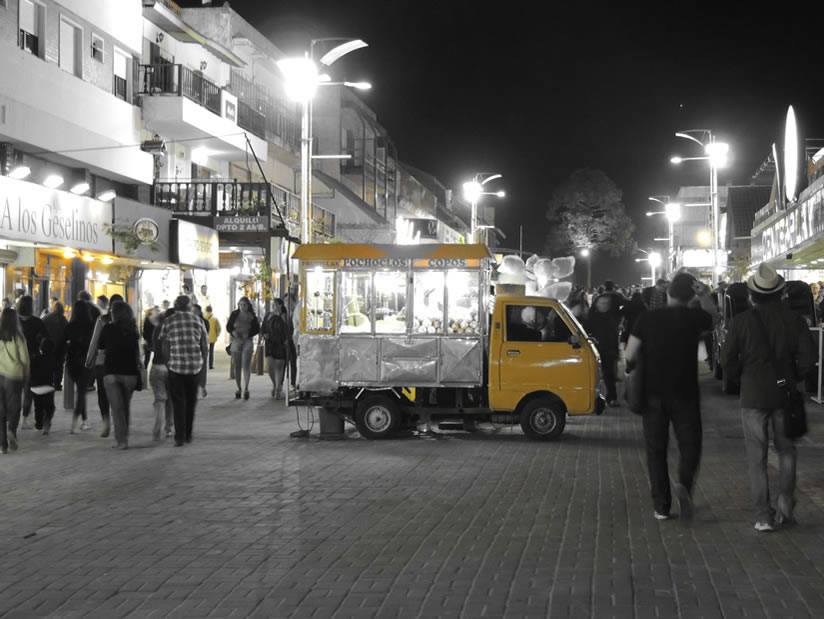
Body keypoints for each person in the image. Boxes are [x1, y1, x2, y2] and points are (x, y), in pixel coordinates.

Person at [721, 263, 815, 532]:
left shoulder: (741, 322)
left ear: (752, 295)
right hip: (785, 395)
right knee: (787, 451)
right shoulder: (794, 320)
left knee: (757, 458)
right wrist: (792, 376)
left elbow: (726, 360)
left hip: (753, 396)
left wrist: (742, 378)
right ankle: (785, 505)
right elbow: (810, 358)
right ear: (780, 293)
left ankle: (763, 516)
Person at [625, 272, 719, 523]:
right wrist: (704, 294)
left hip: (652, 394)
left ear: (667, 292)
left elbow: (630, 355)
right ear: (691, 296)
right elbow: (715, 319)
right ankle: (684, 484)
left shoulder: (647, 318)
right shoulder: (693, 317)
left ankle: (661, 506)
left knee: (656, 450)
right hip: (685, 393)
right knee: (690, 445)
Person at [158, 296, 208, 446]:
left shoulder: (169, 321)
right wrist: (202, 362)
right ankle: (188, 434)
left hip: (176, 367)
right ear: (190, 307)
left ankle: (179, 437)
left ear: (175, 306)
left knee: (178, 402)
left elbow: (164, 345)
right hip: (194, 368)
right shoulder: (198, 320)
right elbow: (204, 346)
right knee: (191, 402)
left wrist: (168, 362)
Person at [99, 301, 142, 450]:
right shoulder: (133, 330)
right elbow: (136, 352)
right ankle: (124, 438)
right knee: (125, 406)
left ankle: (121, 441)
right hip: (130, 374)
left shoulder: (108, 328)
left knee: (117, 408)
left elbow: (101, 346)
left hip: (111, 372)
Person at [86, 293, 124, 437]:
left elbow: (95, 341)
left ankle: (106, 422)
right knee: (119, 394)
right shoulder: (127, 320)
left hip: (102, 362)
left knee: (102, 394)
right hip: (120, 363)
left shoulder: (102, 320)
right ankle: (117, 421)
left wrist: (89, 360)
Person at [0, 307, 29, 453]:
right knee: (15, 407)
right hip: (14, 376)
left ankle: (2, 445)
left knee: (1, 409)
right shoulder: (18, 336)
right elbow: (24, 359)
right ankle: (11, 430)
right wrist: (27, 374)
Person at [64, 300, 96, 433]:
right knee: (82, 392)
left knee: (81, 391)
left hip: (71, 361)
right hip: (85, 361)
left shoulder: (70, 326)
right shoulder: (92, 325)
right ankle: (75, 421)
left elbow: (63, 341)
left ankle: (85, 420)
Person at [16, 295, 47, 429]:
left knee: (15, 391)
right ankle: (25, 418)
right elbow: (45, 338)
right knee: (28, 390)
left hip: (14, 360)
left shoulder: (14, 321)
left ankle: (14, 418)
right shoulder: (37, 322)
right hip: (31, 359)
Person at [586, 294, 621, 406]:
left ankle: (611, 397)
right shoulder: (592, 317)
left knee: (609, 375)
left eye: (607, 303)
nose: (605, 305)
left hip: (609, 349)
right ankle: (593, 398)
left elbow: (614, 335)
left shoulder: (613, 316)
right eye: (602, 303)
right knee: (594, 374)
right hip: (596, 349)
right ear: (596, 304)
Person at [226, 296, 260, 400]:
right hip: (236, 340)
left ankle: (246, 388)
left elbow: (257, 328)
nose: (242, 307)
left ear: (248, 305)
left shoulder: (251, 316)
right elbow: (228, 326)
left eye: (244, 305)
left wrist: (248, 334)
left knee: (246, 365)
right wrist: (233, 332)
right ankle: (238, 388)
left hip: (247, 340)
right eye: (240, 305)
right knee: (237, 365)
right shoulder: (234, 314)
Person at [150, 310, 174, 440]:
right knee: (170, 400)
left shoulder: (157, 329)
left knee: (159, 400)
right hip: (171, 367)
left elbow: (154, 346)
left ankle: (156, 430)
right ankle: (169, 428)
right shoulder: (175, 329)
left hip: (157, 366)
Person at [262, 299, 290, 399]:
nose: (273, 306)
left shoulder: (284, 316)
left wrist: (286, 341)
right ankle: (275, 384)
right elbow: (263, 328)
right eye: (273, 304)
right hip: (270, 344)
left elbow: (288, 329)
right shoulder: (268, 315)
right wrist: (264, 334)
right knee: (270, 368)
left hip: (280, 344)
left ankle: (278, 388)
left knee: (279, 367)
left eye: (276, 304)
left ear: (280, 305)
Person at [29, 337, 56, 435]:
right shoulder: (53, 360)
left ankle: (39, 424)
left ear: (41, 348)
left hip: (35, 388)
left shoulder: (34, 359)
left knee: (38, 406)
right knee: (50, 407)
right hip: (48, 387)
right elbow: (56, 373)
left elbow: (31, 372)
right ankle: (47, 421)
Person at [42, 301, 68, 391]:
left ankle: (48, 382)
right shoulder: (63, 319)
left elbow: (41, 329)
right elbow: (67, 333)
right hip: (60, 346)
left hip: (48, 345)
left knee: (48, 365)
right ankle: (57, 384)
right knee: (59, 366)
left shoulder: (46, 317)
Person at [204, 305, 221, 370]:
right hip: (212, 337)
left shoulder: (203, 318)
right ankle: (211, 365)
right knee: (211, 352)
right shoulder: (215, 319)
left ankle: (204, 364)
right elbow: (218, 328)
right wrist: (217, 335)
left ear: (206, 310)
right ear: (211, 310)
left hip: (205, 337)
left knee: (204, 351)